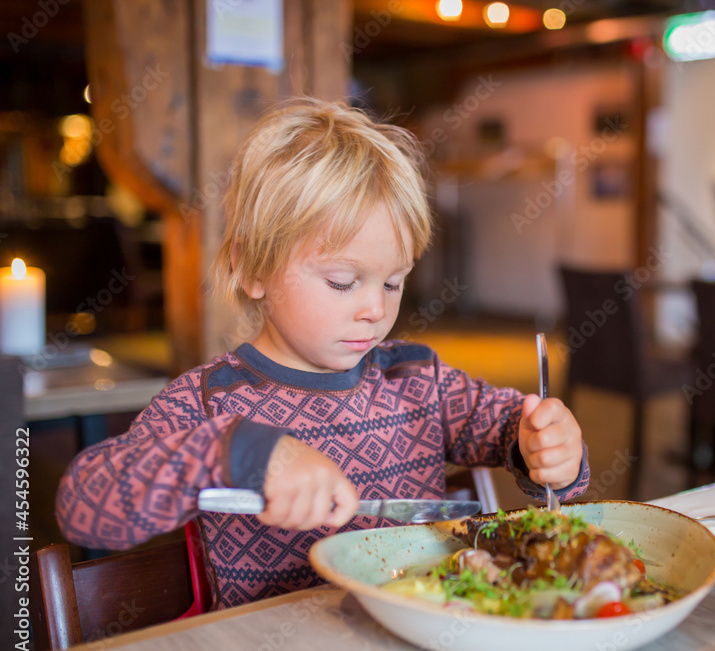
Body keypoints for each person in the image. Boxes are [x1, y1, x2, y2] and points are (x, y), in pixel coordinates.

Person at [56, 99, 590, 610]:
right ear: (250, 268)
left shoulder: (418, 380)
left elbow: (508, 427)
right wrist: (236, 453)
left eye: (393, 282)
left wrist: (545, 447)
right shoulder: (209, 404)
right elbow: (82, 505)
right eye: (342, 281)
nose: (374, 310)